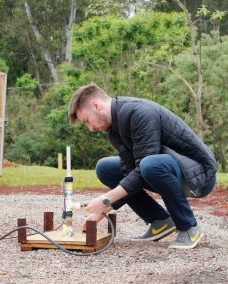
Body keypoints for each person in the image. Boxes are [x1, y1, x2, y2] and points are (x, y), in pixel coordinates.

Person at [68, 82, 217, 249]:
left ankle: (189, 228)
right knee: (105, 168)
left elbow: (142, 169)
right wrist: (104, 209)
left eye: (87, 121)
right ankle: (160, 221)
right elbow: (129, 173)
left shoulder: (140, 112)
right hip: (167, 168)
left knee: (149, 164)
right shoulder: (114, 130)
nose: (90, 128)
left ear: (95, 105)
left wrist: (105, 200)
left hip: (199, 175)